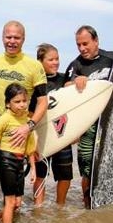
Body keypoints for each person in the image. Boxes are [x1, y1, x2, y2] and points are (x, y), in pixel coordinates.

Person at [0, 21, 48, 207]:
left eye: (16, 37)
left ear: (23, 39)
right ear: (2, 37)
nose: (12, 41)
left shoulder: (34, 66)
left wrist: (29, 127)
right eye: (8, 37)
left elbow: (43, 101)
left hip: (18, 133)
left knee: (16, 197)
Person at [64, 25, 113, 208]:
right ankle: (88, 207)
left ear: (96, 41)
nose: (82, 48)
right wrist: (74, 83)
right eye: (78, 45)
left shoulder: (112, 58)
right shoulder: (75, 65)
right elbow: (64, 91)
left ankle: (108, 205)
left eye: (85, 43)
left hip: (110, 122)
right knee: (87, 170)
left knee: (108, 166)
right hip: (88, 125)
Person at [0, 83, 37, 223]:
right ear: (8, 103)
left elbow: (30, 147)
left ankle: (1, 220)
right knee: (10, 200)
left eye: (24, 101)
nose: (21, 105)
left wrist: (33, 168)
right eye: (17, 102)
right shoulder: (4, 119)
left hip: (20, 163)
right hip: (6, 161)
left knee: (17, 203)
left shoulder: (27, 121)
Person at [33, 43, 72, 206]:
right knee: (41, 173)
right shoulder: (36, 82)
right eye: (51, 60)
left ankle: (60, 207)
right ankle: (38, 208)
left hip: (62, 133)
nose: (55, 62)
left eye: (57, 59)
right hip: (42, 134)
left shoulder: (65, 79)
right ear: (40, 61)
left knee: (65, 175)